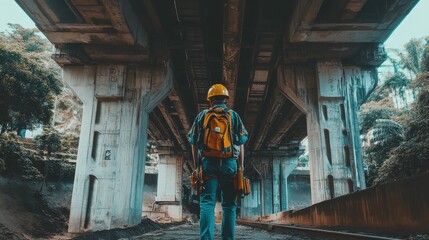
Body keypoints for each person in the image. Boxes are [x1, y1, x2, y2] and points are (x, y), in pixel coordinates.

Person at [188, 83, 248, 240]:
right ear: (226, 100)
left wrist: (196, 166)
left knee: (207, 203)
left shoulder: (202, 116)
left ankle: (206, 238)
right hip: (229, 164)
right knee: (229, 204)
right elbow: (241, 144)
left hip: (208, 164)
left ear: (210, 100)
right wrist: (240, 167)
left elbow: (193, 142)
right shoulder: (233, 116)